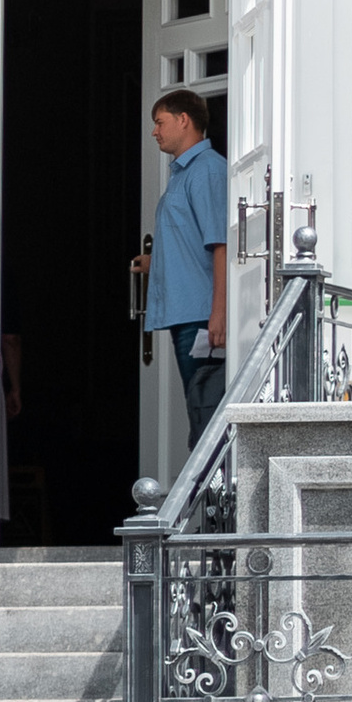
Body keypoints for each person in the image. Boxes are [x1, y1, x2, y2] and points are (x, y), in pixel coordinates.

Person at [141, 89, 228, 450]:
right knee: (199, 409)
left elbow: (221, 243)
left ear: (183, 120)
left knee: (205, 412)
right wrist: (153, 261)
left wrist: (218, 314)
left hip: (200, 318)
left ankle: (214, 500)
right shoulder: (182, 173)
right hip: (188, 315)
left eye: (159, 123)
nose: (155, 132)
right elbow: (191, 239)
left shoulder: (207, 170)